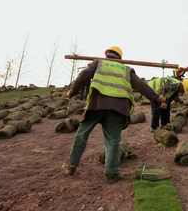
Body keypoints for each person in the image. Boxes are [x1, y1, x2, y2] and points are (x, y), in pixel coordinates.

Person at [63, 46, 164, 183]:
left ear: (107, 54)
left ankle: (71, 166)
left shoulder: (98, 63)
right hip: (117, 109)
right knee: (113, 141)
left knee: (82, 134)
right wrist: (156, 98)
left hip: (96, 105)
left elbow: (83, 76)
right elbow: (141, 85)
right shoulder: (126, 69)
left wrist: (72, 92)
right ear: (120, 57)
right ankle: (112, 174)